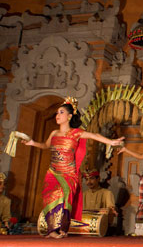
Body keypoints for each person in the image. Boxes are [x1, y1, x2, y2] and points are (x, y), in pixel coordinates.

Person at [23, 97, 124, 239]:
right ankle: (52, 230)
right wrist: (32, 142)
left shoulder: (76, 133)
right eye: (57, 113)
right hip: (52, 172)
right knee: (50, 198)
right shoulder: (53, 133)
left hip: (68, 174)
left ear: (70, 116)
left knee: (63, 198)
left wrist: (111, 142)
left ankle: (62, 229)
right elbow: (45, 146)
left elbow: (94, 135)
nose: (57, 115)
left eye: (61, 112)